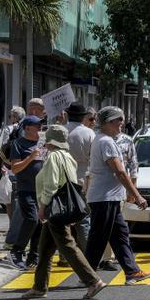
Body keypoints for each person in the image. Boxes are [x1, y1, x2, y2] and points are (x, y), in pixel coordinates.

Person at [21, 125, 107, 299]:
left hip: (54, 208)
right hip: (62, 207)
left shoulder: (53, 156)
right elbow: (74, 183)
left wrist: (43, 207)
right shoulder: (68, 156)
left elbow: (52, 184)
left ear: (51, 141)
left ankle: (93, 281)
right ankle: (39, 286)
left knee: (67, 246)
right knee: (44, 249)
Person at [84, 106, 150, 285]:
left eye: (121, 119)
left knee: (120, 235)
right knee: (98, 238)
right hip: (104, 197)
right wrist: (137, 195)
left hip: (110, 197)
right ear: (106, 123)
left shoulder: (104, 139)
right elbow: (120, 172)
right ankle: (87, 275)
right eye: (117, 120)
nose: (121, 123)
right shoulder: (105, 141)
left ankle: (132, 271)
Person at [7, 115, 45, 270]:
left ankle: (33, 255)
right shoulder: (18, 144)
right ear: (27, 128)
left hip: (42, 190)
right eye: (37, 125)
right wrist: (31, 157)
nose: (40, 128)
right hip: (26, 189)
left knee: (40, 223)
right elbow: (15, 168)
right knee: (32, 219)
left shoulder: (42, 143)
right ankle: (17, 251)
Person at [65, 102, 95, 253]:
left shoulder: (61, 131)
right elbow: (95, 159)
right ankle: (87, 254)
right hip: (83, 180)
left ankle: (65, 255)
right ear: (83, 117)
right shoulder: (89, 133)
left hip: (62, 180)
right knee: (83, 220)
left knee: (63, 219)